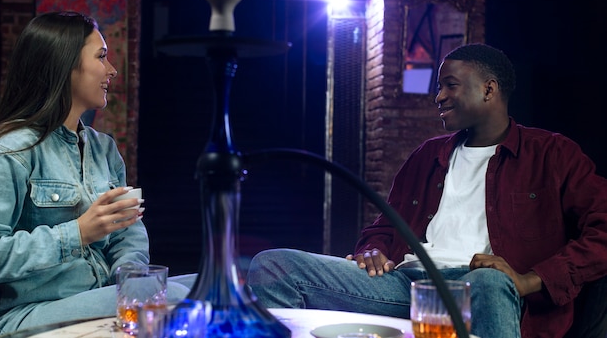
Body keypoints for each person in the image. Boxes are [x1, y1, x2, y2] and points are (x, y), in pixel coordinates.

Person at [246, 43, 607, 338]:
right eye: (439, 86)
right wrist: (373, 248)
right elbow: (385, 228)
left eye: (450, 85)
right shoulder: (426, 156)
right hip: (408, 285)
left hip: (485, 291)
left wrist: (530, 279)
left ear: (489, 89)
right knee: (273, 266)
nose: (439, 96)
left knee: (490, 281)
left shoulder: (553, 154)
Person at [0, 12, 195, 337]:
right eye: (101, 56)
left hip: (94, 298)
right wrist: (77, 233)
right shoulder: (10, 151)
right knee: (173, 301)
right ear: (65, 65)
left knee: (210, 289)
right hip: (24, 314)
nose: (112, 70)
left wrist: (131, 280)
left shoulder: (104, 149)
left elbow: (128, 234)